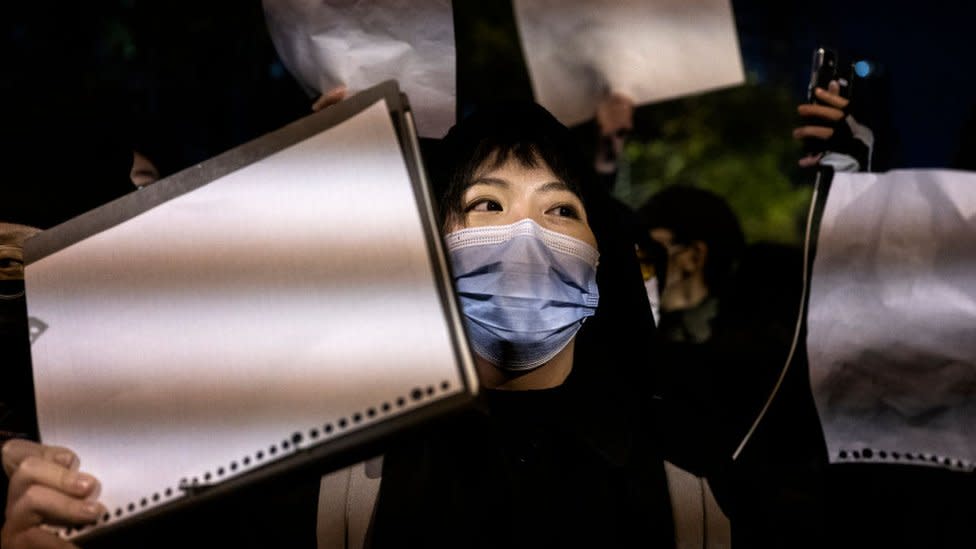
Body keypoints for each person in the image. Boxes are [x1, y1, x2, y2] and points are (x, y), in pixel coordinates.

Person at [3, 101, 732, 549]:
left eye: (560, 209)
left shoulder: (690, 497)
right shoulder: (325, 484)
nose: (524, 235)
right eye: (485, 204)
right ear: (432, 247)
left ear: (601, 258)